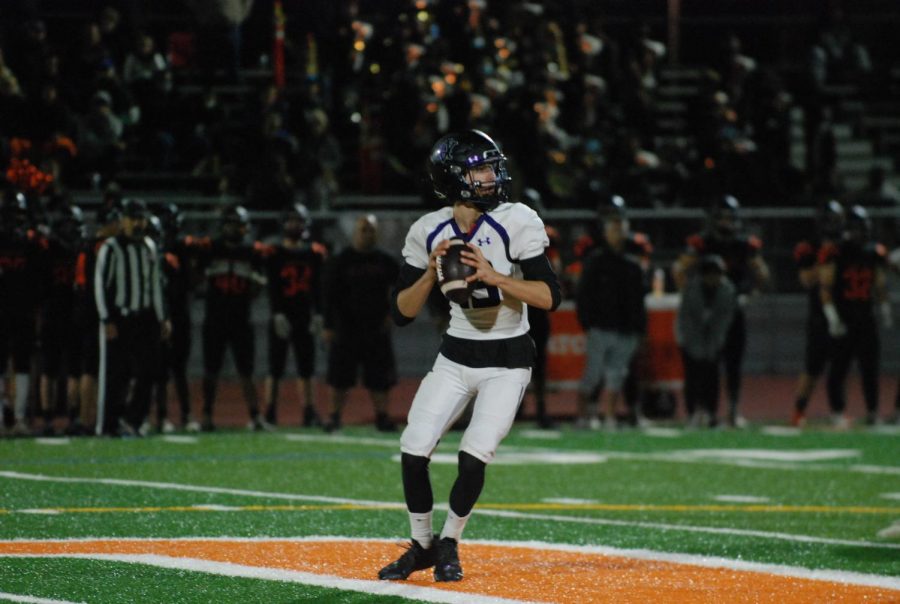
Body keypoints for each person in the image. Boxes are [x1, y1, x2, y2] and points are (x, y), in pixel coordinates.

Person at [378, 130, 561, 582]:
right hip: (457, 355)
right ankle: (421, 545)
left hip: (508, 359)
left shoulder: (517, 219)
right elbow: (401, 312)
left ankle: (450, 542)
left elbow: (549, 296)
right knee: (413, 448)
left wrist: (495, 276)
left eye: (490, 166)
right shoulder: (429, 230)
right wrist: (432, 272)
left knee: (473, 455)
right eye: (480, 168)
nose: (491, 176)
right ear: (454, 177)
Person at [673, 195, 769, 427]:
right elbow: (679, 269)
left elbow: (762, 274)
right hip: (706, 312)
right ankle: (701, 410)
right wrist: (691, 297)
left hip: (731, 308)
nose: (727, 223)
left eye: (730, 218)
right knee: (704, 364)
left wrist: (752, 294)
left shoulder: (744, 244)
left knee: (733, 363)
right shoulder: (702, 242)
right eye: (723, 218)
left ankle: (733, 409)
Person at [185, 204, 269, 432]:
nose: (236, 229)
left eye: (239, 225)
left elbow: (257, 288)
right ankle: (207, 415)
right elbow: (194, 280)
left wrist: (255, 284)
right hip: (216, 317)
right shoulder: (211, 248)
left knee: (247, 371)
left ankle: (255, 415)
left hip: (241, 318)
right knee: (211, 370)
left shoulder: (251, 252)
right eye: (232, 224)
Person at [94, 198, 170, 436]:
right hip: (121, 317)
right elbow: (100, 285)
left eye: (141, 218)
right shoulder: (111, 248)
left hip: (145, 318)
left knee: (149, 370)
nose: (138, 223)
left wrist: (162, 317)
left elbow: (155, 285)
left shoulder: (149, 246)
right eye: (133, 218)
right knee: (117, 374)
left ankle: (133, 420)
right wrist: (107, 319)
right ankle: (108, 424)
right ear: (123, 220)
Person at [574, 195, 647, 429]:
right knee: (593, 374)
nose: (617, 231)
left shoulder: (632, 263)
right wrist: (587, 322)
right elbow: (584, 294)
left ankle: (609, 417)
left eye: (620, 226)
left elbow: (639, 300)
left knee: (618, 375)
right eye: (613, 226)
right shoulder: (595, 260)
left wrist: (639, 328)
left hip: (625, 327)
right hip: (601, 325)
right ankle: (584, 416)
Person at [322, 213, 399, 433]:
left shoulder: (386, 261)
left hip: (376, 327)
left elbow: (401, 290)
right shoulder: (340, 260)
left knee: (380, 377)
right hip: (346, 327)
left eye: (371, 230)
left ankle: (382, 416)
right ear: (355, 233)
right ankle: (334, 416)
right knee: (339, 377)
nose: (367, 234)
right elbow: (328, 295)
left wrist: (393, 315)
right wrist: (328, 325)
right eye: (363, 230)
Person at [818, 205, 889, 428]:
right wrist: (832, 317)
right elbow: (826, 287)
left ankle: (872, 412)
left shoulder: (873, 252)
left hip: (865, 316)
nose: (858, 233)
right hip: (844, 316)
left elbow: (879, 284)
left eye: (861, 228)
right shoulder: (835, 252)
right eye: (854, 228)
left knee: (870, 369)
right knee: (838, 368)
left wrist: (884, 307)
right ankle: (837, 413)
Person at [264, 203, 327, 427]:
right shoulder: (274, 253)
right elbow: (272, 286)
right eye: (291, 220)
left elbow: (318, 286)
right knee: (275, 367)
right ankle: (270, 411)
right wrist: (277, 313)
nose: (294, 224)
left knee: (307, 367)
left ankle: (309, 411)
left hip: (304, 314)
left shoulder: (314, 253)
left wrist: (319, 314)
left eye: (298, 220)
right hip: (283, 313)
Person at [790, 200, 845, 427]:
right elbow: (806, 280)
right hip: (819, 314)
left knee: (840, 367)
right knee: (812, 368)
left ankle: (838, 413)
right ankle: (798, 411)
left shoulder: (846, 244)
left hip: (846, 312)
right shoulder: (809, 248)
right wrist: (824, 259)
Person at [73, 204, 121, 436]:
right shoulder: (106, 247)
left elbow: (79, 283)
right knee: (97, 369)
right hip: (100, 314)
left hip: (85, 310)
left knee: (88, 369)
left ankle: (85, 419)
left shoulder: (86, 246)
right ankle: (96, 418)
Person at [38, 205, 84, 436]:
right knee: (72, 371)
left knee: (51, 370)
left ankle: (47, 419)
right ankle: (73, 418)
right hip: (72, 314)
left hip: (53, 313)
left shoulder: (48, 248)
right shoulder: (79, 248)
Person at [676, 255, 737, 427]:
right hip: (691, 340)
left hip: (713, 341)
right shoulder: (692, 290)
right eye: (710, 274)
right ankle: (692, 413)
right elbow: (686, 320)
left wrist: (714, 345)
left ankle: (711, 414)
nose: (714, 278)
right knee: (692, 378)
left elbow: (725, 321)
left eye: (717, 274)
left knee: (712, 377)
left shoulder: (727, 291)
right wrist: (690, 345)